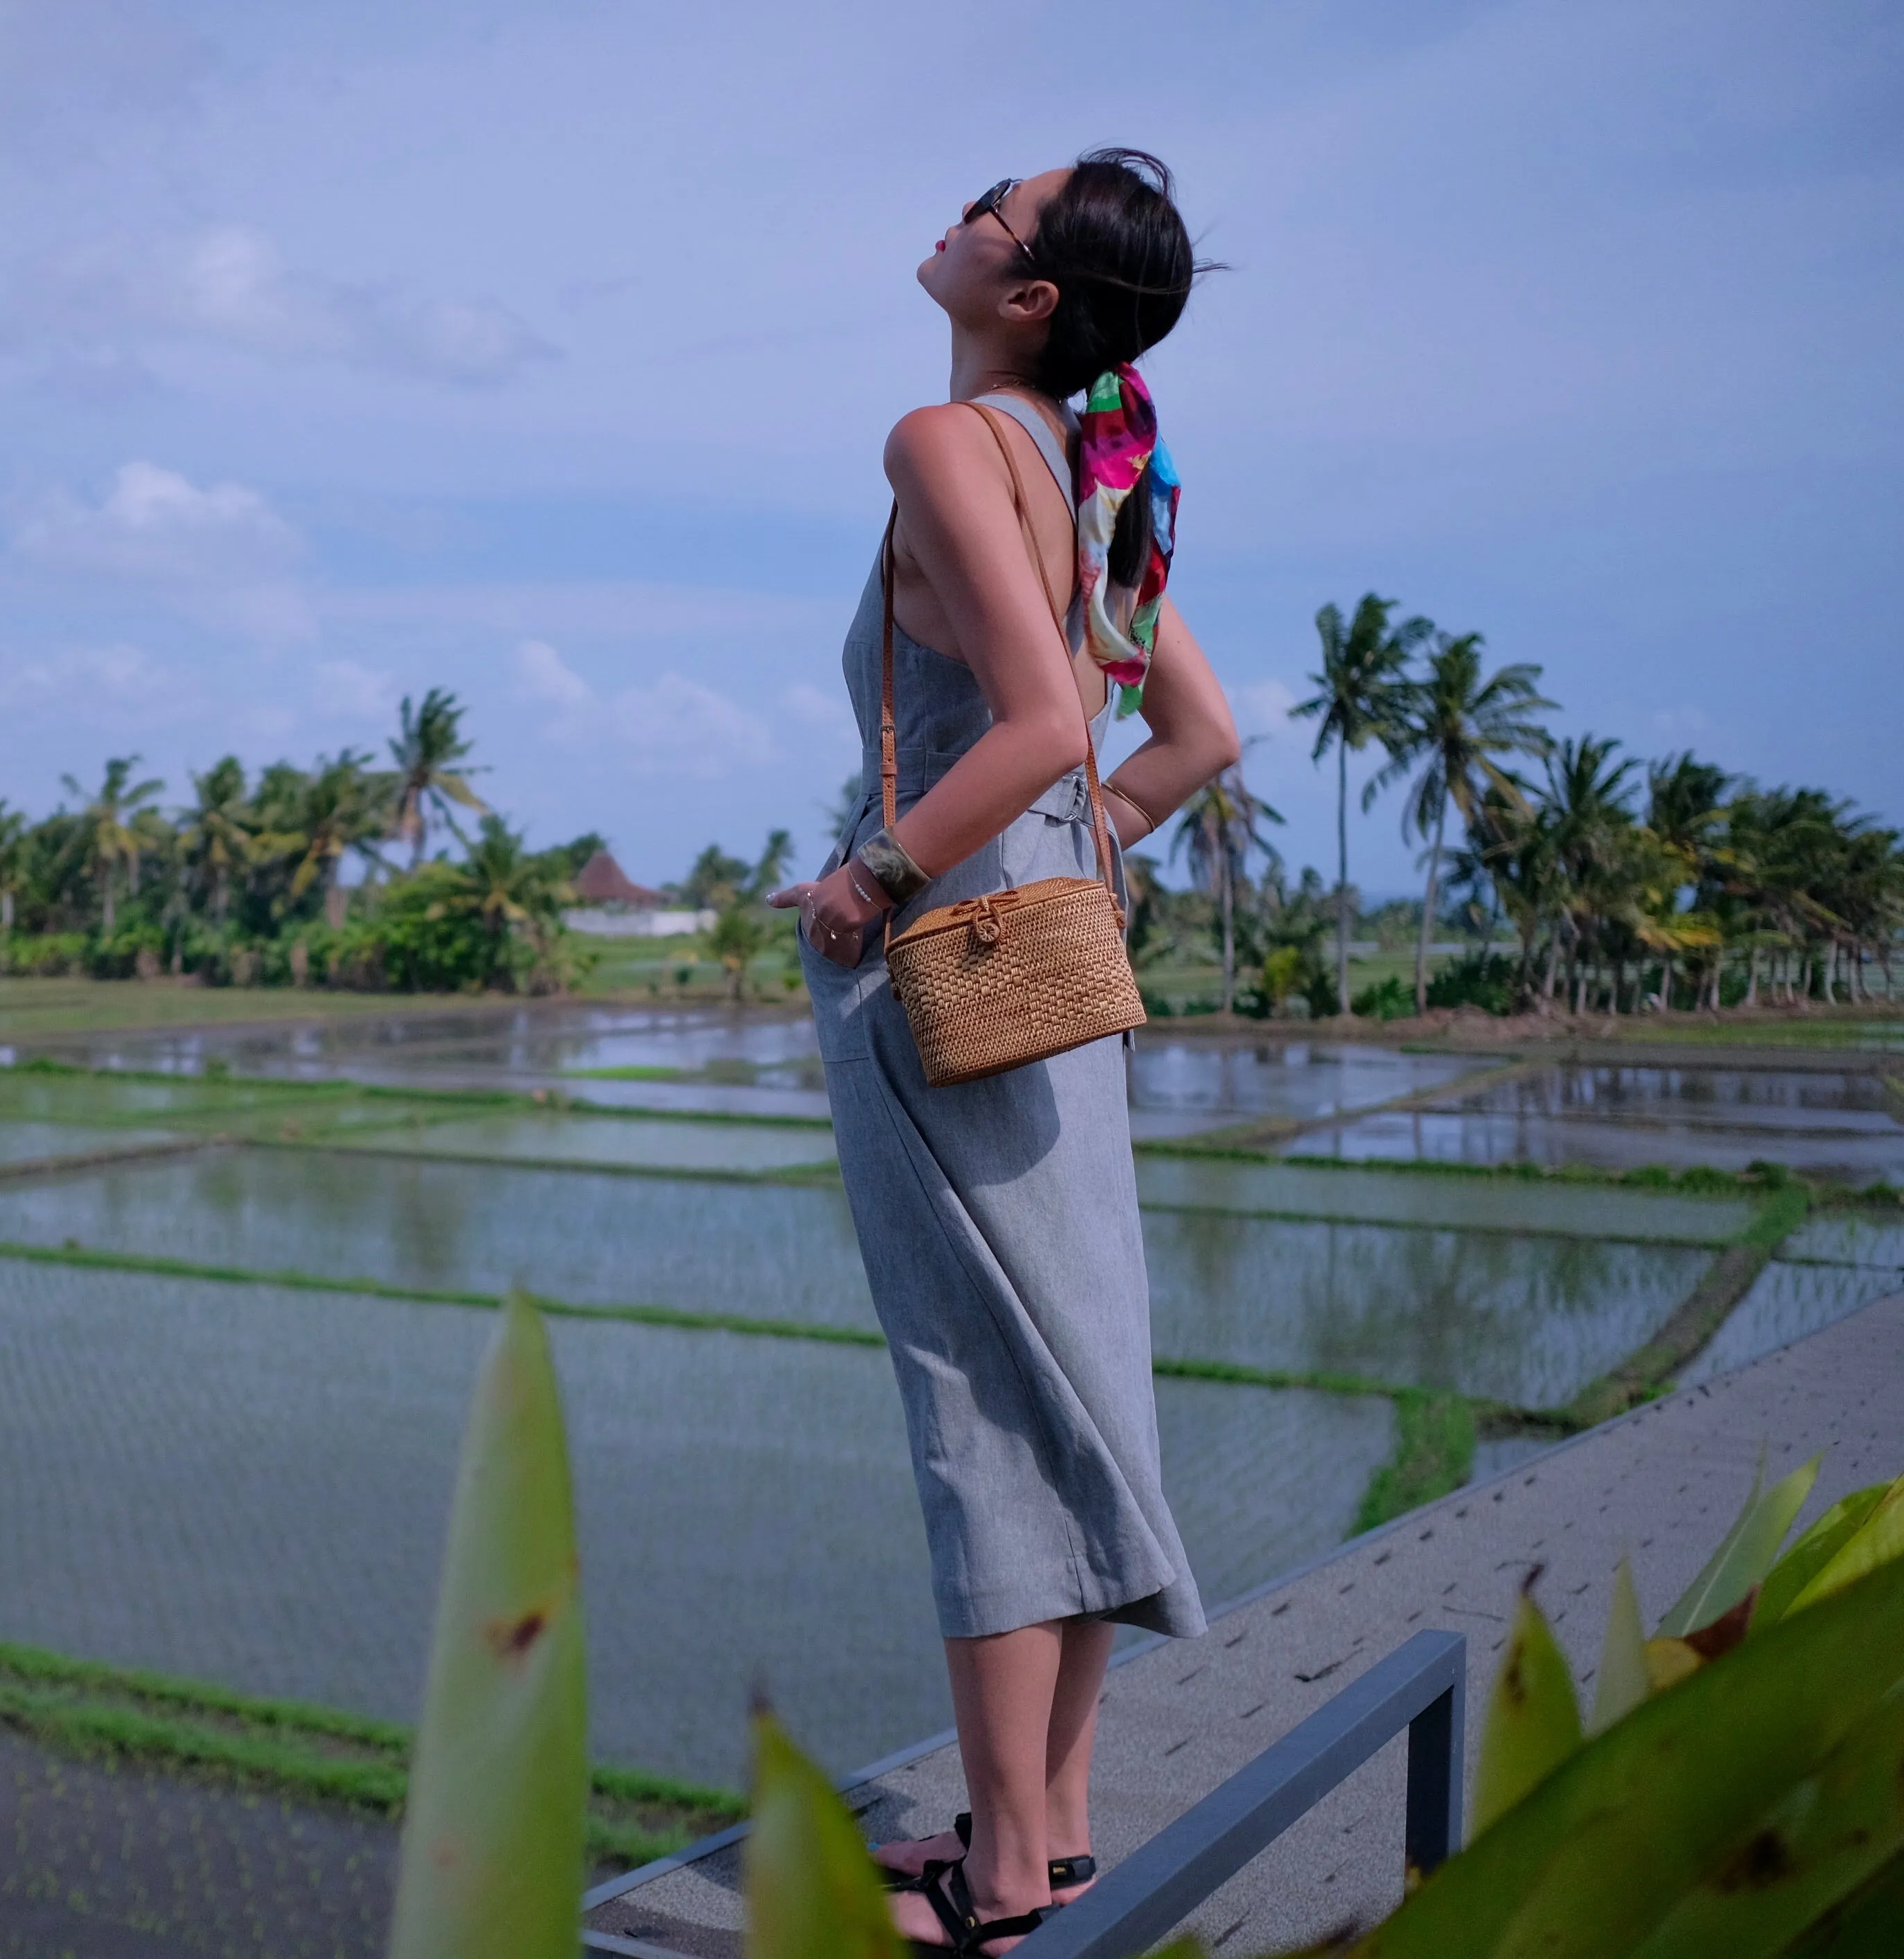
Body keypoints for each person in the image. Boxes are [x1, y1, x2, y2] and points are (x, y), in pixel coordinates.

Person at [766, 149, 1241, 1952]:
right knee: (1078, 1387)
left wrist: (874, 866)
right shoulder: (1094, 488)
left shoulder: (944, 445)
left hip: (949, 974)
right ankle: (1041, 1830)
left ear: (1026, 298)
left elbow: (1039, 719)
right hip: (1068, 965)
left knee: (978, 1410)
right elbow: (1192, 732)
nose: (959, 211)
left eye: (993, 205)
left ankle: (1004, 1888)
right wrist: (1088, 836)